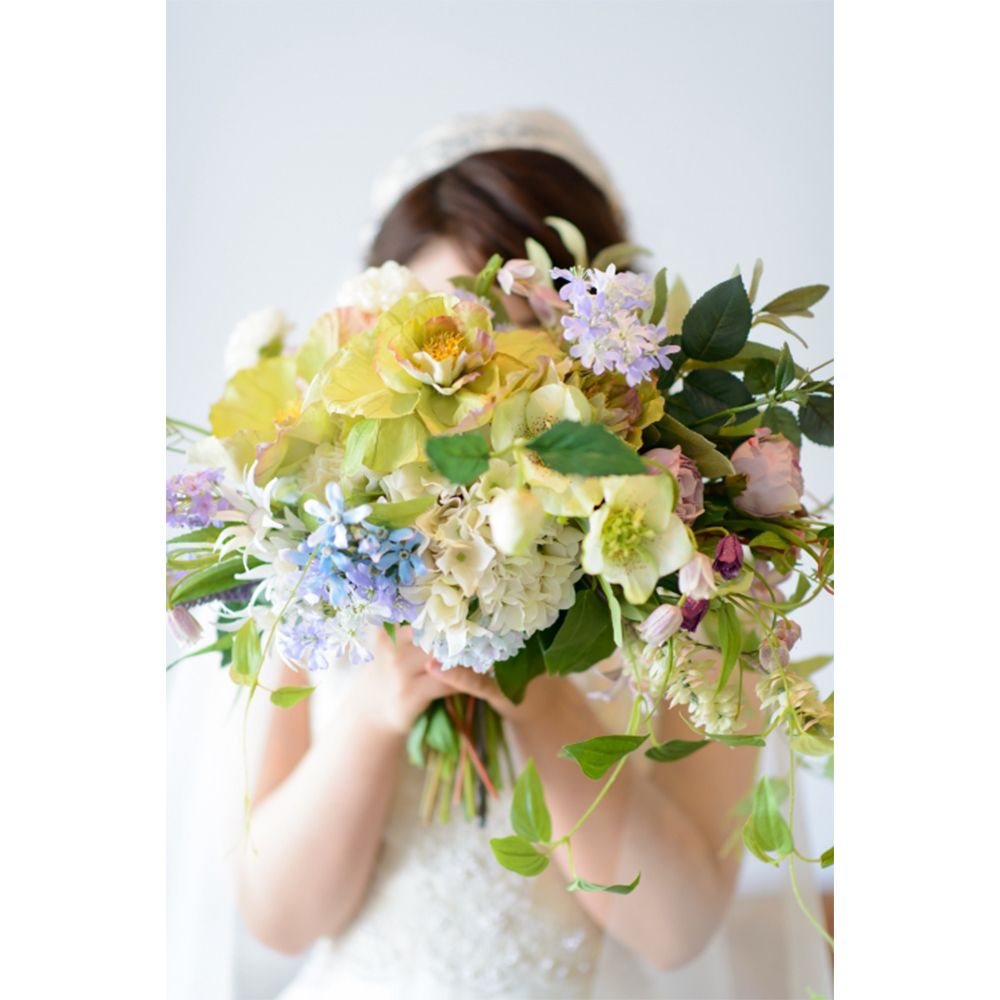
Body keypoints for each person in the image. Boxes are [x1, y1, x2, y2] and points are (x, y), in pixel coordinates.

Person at [235, 110, 830, 1000]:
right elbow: (277, 918)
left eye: (523, 324)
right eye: (444, 324)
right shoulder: (321, 557)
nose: (478, 373)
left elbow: (676, 930)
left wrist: (536, 695)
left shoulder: (699, 573)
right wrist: (374, 713)